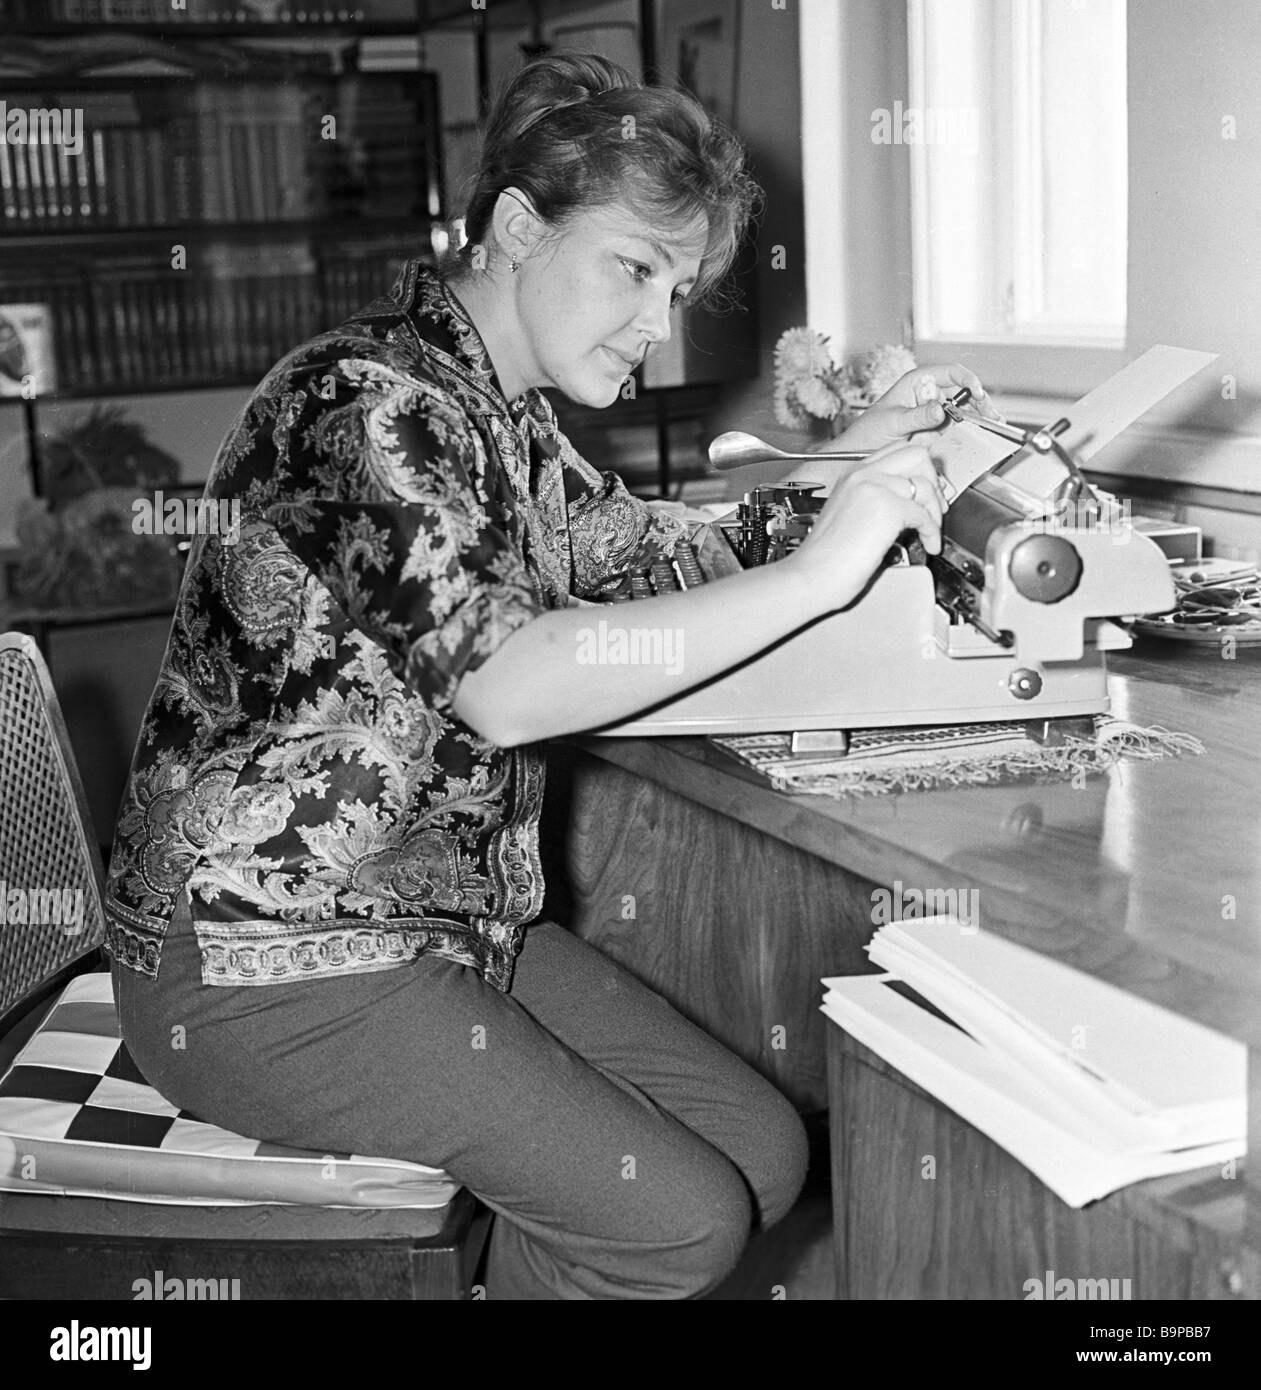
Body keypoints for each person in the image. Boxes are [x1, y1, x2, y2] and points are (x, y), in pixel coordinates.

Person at [105, 52, 995, 1299]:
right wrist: (818, 576)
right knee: (676, 1224)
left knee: (758, 1153)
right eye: (634, 268)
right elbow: (507, 680)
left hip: (436, 926)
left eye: (677, 287)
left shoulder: (497, 418)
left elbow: (659, 554)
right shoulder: (359, 402)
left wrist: (855, 464)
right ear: (518, 226)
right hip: (260, 960)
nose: (655, 324)